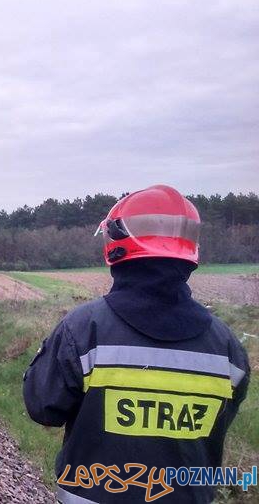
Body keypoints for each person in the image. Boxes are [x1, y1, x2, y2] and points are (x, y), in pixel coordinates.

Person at [23, 185, 250, 503]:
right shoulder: (228, 350)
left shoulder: (84, 330)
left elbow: (43, 406)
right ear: (189, 253)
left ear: (115, 246)